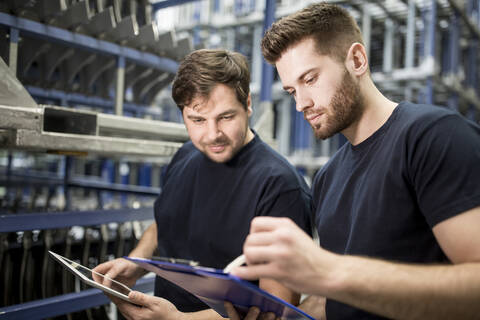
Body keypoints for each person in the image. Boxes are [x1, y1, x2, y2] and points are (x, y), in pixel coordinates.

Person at [228, 2, 480, 320]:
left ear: (357, 60)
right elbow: (336, 300)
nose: (301, 104)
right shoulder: (328, 178)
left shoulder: (432, 137)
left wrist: (329, 270)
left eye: (310, 79)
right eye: (292, 90)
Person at [93, 49, 313, 320]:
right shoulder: (185, 155)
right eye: (197, 120)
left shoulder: (279, 186)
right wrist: (137, 262)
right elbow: (167, 221)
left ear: (247, 104)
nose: (212, 135)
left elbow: (276, 310)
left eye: (226, 117)